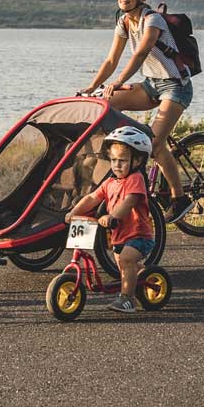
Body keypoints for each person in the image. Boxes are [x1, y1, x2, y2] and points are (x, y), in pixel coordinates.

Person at [79, 0, 192, 220]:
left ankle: (179, 198)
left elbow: (140, 54)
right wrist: (92, 86)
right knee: (104, 105)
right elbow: (111, 60)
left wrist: (119, 81)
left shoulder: (152, 20)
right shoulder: (123, 22)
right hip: (151, 84)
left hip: (175, 86)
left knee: (154, 144)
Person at [67, 125, 156, 314]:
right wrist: (74, 211)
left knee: (126, 261)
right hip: (119, 236)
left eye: (122, 160)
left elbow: (130, 201)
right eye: (114, 160)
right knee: (126, 266)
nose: (117, 165)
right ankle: (147, 280)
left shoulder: (136, 179)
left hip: (139, 235)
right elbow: (92, 198)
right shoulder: (109, 182)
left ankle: (128, 299)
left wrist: (113, 216)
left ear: (137, 160)